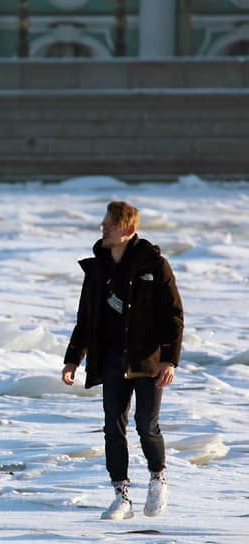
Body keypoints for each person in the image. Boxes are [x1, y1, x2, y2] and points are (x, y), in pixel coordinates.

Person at [61, 201, 183, 520]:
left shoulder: (153, 265)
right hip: (112, 360)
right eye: (103, 224)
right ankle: (121, 496)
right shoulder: (97, 269)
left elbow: (174, 316)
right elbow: (85, 319)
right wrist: (73, 359)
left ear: (127, 230)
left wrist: (169, 360)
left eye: (109, 225)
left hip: (147, 360)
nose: (103, 229)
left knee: (146, 425)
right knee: (112, 429)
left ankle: (158, 480)